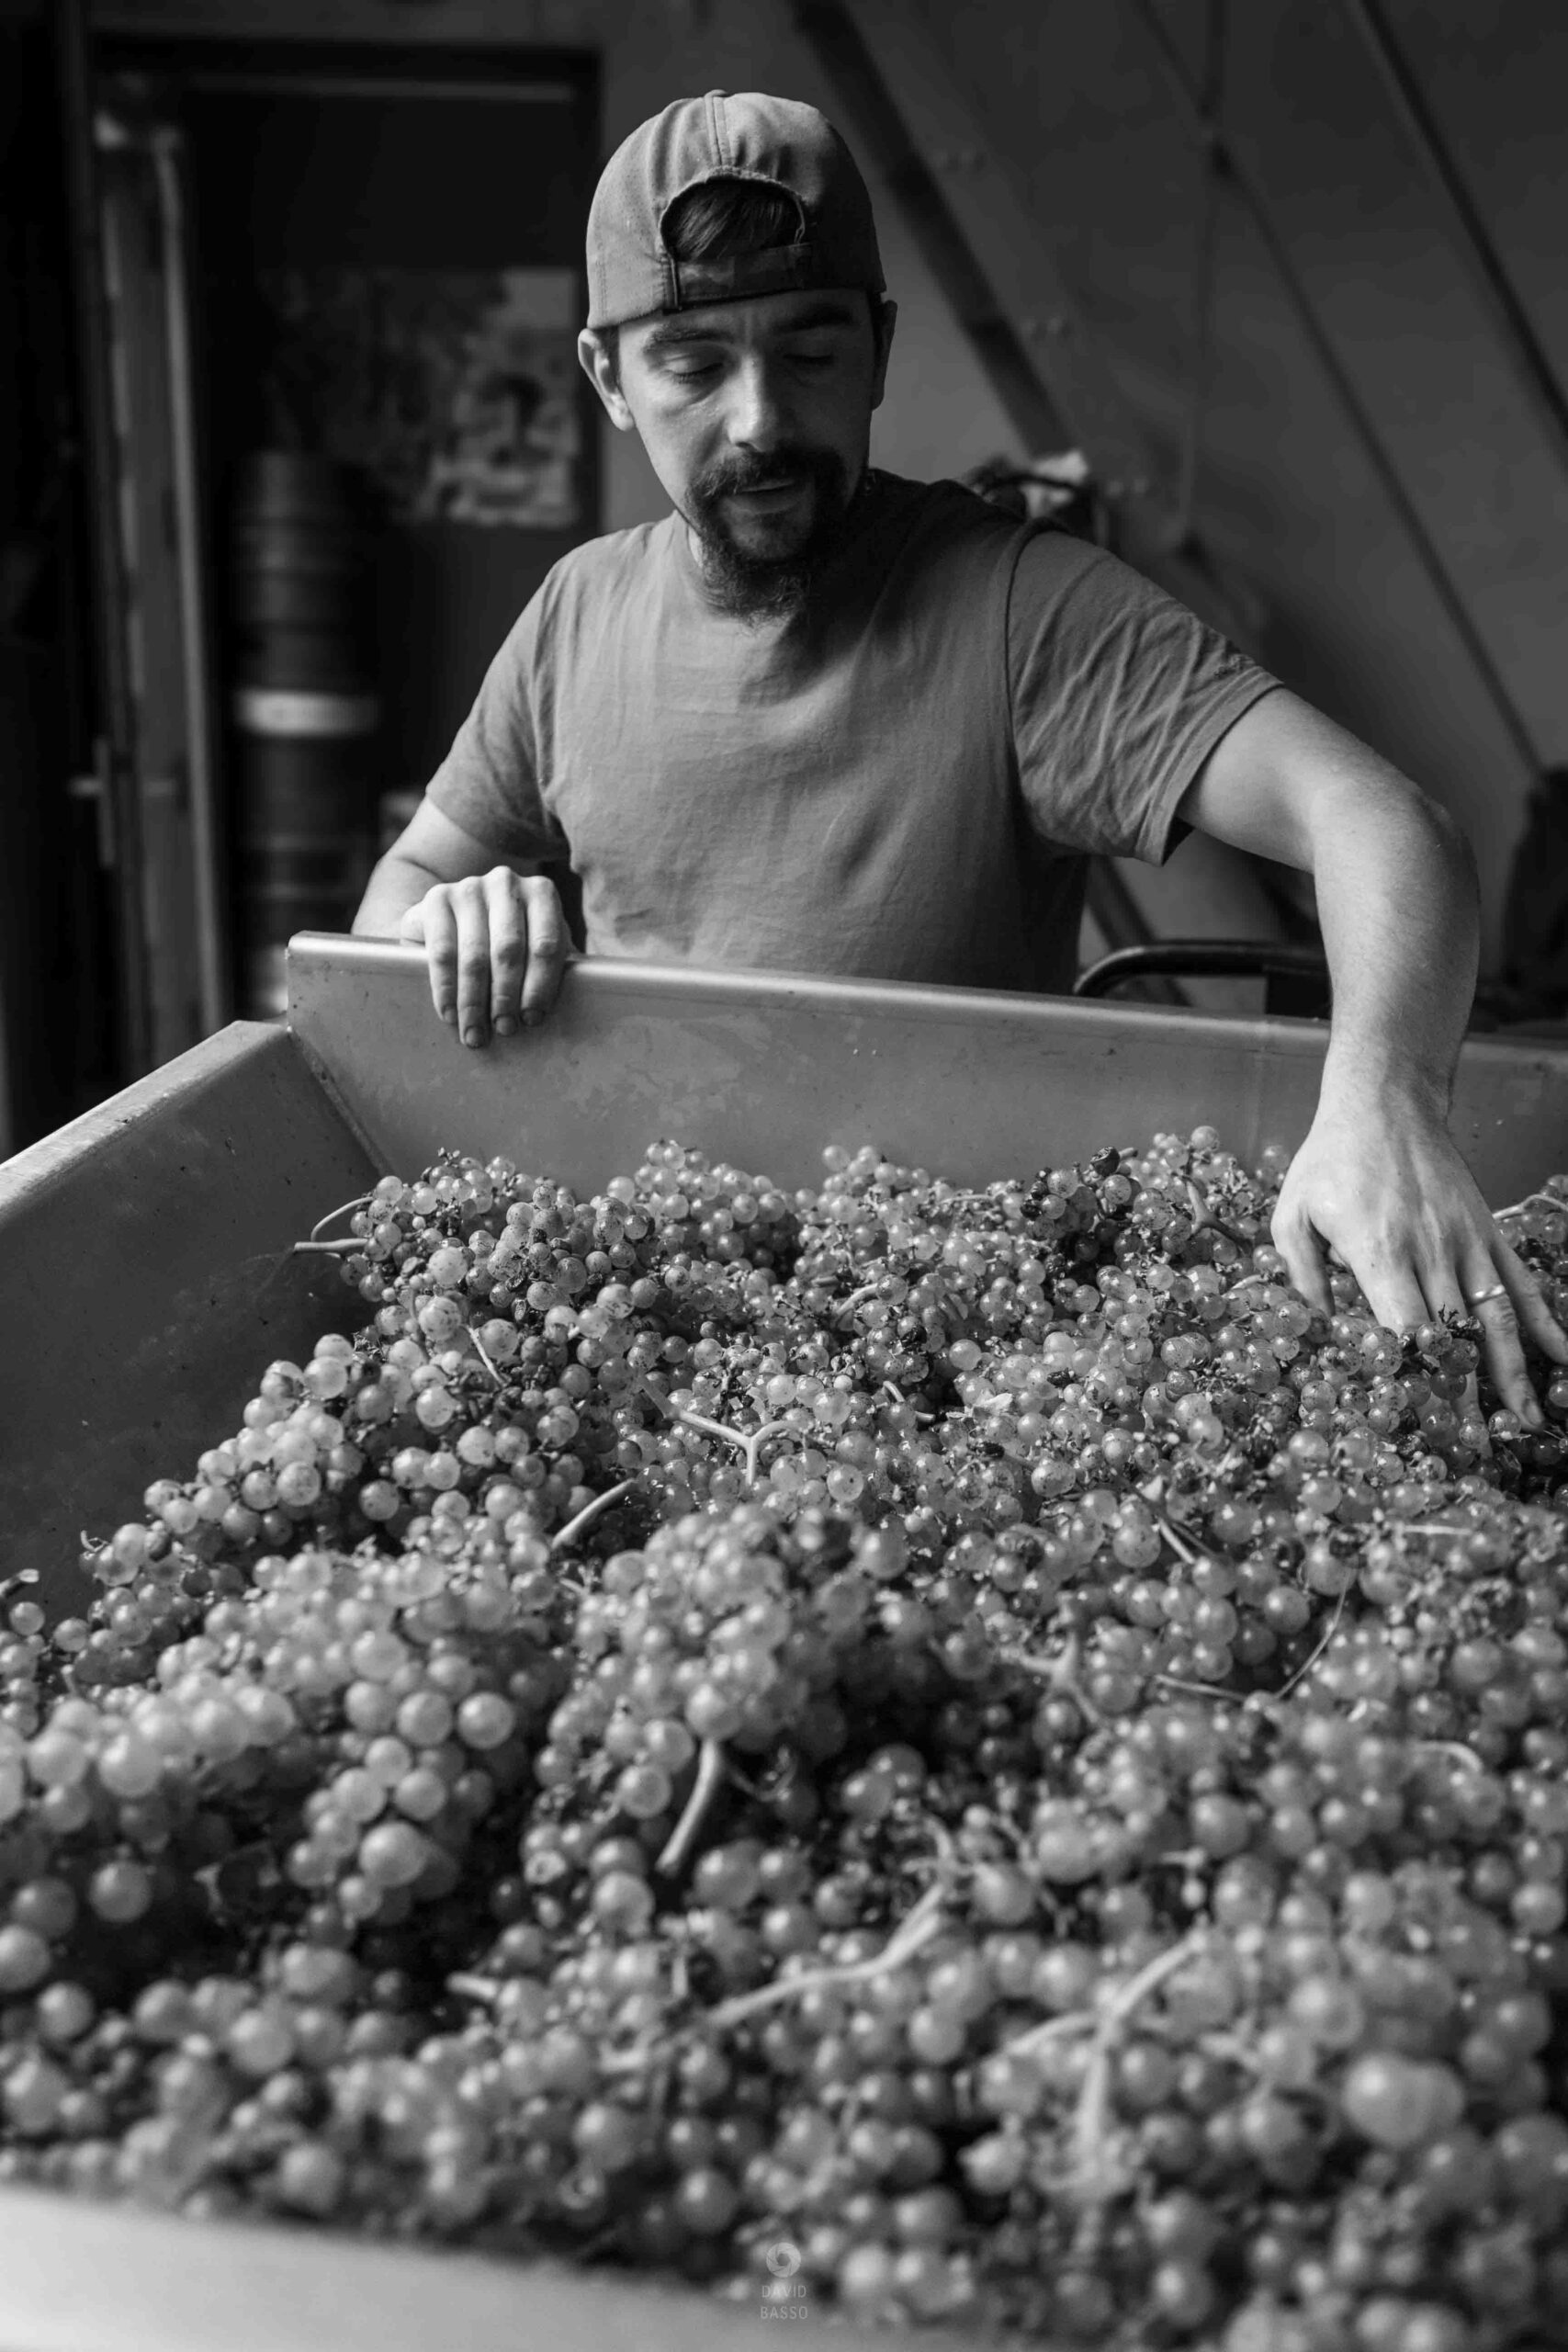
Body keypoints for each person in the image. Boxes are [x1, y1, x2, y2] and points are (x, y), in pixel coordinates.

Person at [355, 87, 1566, 1425]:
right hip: (639, 1322)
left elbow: (1383, 823)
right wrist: (452, 915)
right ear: (609, 379)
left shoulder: (1022, 612)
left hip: (937, 1341)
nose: (759, 418)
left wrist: (1385, 1093)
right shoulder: (573, 616)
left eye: (809, 350)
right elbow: (401, 896)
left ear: (876, 351)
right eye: (694, 364)